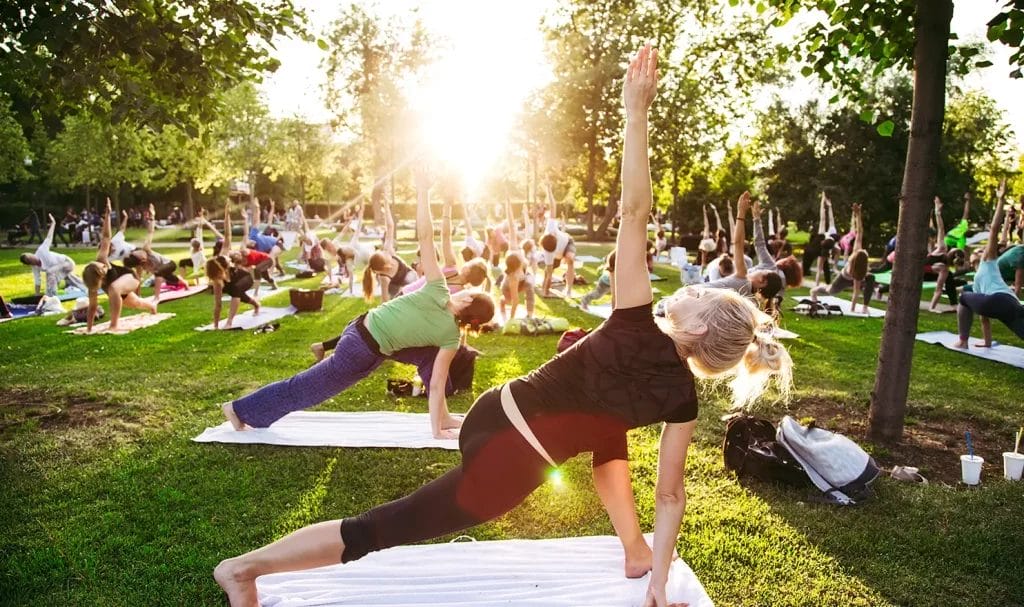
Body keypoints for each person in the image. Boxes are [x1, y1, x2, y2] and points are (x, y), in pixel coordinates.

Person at [214, 45, 792, 607]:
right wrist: (663, 585)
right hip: (510, 463)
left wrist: (634, 113)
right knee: (382, 528)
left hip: (498, 411)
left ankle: (633, 551)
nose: (686, 290)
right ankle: (243, 570)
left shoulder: (636, 320)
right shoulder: (680, 397)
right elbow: (670, 495)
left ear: (695, 325)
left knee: (605, 428)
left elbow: (635, 209)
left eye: (695, 294)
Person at [222, 163, 495, 439]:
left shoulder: (438, 290)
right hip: (361, 348)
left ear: (470, 297)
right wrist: (436, 432)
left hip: (365, 331)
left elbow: (426, 236)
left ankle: (444, 416)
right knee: (306, 389)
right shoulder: (450, 335)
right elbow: (436, 384)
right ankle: (239, 410)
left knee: (426, 355)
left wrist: (422, 192)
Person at [955, 180, 1024, 347]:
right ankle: (973, 341)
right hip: (1010, 305)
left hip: (1000, 300)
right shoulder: (979, 284)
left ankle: (963, 341)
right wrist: (987, 343)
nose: (977, 252)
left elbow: (994, 230)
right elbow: (983, 318)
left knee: (963, 298)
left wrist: (1000, 200)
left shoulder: (988, 262)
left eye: (979, 251)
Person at [81, 199, 157, 332]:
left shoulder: (101, 259)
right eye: (103, 270)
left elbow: (105, 237)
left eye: (103, 266)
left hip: (130, 277)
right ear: (98, 279)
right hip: (118, 289)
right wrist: (88, 329)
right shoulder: (92, 286)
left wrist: (108, 215)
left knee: (113, 288)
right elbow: (92, 307)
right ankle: (152, 306)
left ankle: (114, 325)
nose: (105, 266)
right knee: (136, 303)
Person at [810, 203, 876, 313]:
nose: (864, 250)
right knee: (830, 291)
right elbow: (855, 292)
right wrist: (853, 310)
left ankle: (865, 306)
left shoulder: (859, 267)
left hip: (853, 277)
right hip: (842, 278)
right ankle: (814, 291)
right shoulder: (856, 254)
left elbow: (860, 231)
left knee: (871, 278)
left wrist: (858, 214)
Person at [206, 204, 261, 330]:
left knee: (236, 290)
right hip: (233, 285)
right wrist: (215, 326)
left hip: (245, 278)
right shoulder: (217, 282)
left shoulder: (224, 255)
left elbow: (227, 236)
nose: (230, 263)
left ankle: (229, 322)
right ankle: (256, 304)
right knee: (237, 293)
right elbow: (218, 304)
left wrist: (227, 215)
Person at [124, 204, 186, 305]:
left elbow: (150, 232)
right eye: (138, 254)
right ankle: (185, 284)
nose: (138, 251)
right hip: (162, 270)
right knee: (172, 280)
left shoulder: (146, 249)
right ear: (140, 260)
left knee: (158, 273)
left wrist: (152, 216)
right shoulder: (141, 265)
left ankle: (156, 297)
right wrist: (137, 295)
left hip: (169, 264)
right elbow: (138, 279)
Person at [19, 214, 87, 297]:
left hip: (67, 263)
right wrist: (37, 294)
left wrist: (53, 223)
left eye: (31, 256)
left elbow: (49, 237)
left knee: (50, 272)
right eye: (30, 260)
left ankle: (52, 295)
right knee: (71, 280)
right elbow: (37, 280)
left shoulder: (41, 250)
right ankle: (87, 285)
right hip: (60, 270)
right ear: (30, 263)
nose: (33, 259)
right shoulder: (35, 267)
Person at [362, 199, 417, 302]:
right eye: (386, 257)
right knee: (397, 301)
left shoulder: (387, 250)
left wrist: (387, 207)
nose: (387, 254)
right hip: (394, 287)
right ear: (385, 267)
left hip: (409, 277)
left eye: (383, 253)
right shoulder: (384, 278)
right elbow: (384, 299)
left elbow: (390, 226)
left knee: (410, 278)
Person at [499, 193, 537, 320]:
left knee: (530, 286)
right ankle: (502, 301)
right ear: (518, 265)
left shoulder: (514, 249)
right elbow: (515, 301)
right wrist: (511, 320)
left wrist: (508, 205)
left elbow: (511, 227)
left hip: (524, 279)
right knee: (508, 301)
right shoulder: (513, 277)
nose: (523, 258)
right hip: (508, 287)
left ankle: (530, 314)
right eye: (521, 260)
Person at [539, 188, 577, 298]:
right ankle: (545, 287)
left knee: (570, 259)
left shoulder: (550, 228)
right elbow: (550, 273)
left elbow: (553, 206)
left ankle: (568, 290)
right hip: (557, 255)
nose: (555, 235)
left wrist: (549, 190)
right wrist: (546, 293)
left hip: (568, 243)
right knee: (548, 272)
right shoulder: (548, 254)